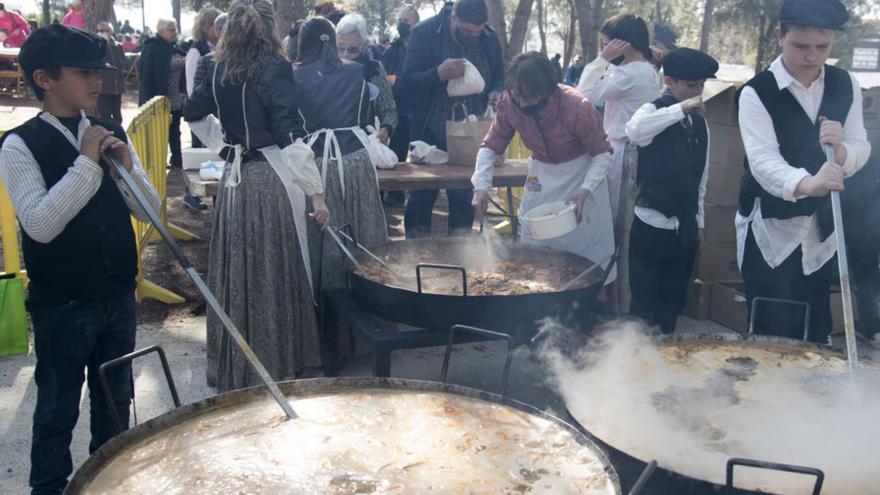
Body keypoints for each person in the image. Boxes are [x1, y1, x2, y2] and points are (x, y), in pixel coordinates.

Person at [0, 24, 159, 494]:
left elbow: (148, 212)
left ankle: (110, 484)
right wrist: (87, 165)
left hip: (117, 294)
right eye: (83, 72)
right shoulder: (19, 144)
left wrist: (127, 170)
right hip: (63, 305)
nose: (97, 81)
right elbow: (41, 224)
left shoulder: (108, 130)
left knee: (115, 403)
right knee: (56, 410)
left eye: (99, 72)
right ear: (45, 78)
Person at [183, 0, 330, 391]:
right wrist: (316, 194)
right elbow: (288, 133)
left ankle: (239, 365)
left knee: (243, 272)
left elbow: (191, 112)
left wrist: (223, 146)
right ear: (268, 30)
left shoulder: (215, 67)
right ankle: (278, 361)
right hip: (268, 179)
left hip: (236, 179)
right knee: (273, 270)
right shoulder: (274, 67)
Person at [736, 0, 870, 344]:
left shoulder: (845, 84)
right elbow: (763, 161)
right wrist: (809, 183)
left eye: (821, 47)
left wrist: (842, 152)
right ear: (781, 35)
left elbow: (861, 144)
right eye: (800, 46)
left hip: (822, 230)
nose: (811, 56)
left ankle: (808, 394)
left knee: (814, 324)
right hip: (773, 227)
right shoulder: (756, 92)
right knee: (770, 328)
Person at [472, 52, 614, 274]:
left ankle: (584, 296)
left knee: (580, 245)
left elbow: (602, 153)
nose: (521, 102)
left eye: (529, 98)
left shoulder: (577, 106)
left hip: (581, 175)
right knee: (534, 238)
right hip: (541, 174)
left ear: (547, 90)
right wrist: (481, 186)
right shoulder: (508, 103)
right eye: (517, 95)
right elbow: (490, 146)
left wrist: (585, 190)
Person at [624, 48, 718, 334]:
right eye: (690, 85)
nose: (697, 91)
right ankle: (631, 361)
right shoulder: (652, 109)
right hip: (652, 222)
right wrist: (679, 109)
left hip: (685, 225)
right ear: (669, 82)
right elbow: (635, 132)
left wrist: (699, 221)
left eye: (701, 85)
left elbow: (701, 175)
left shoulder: (701, 123)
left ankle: (664, 357)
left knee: (672, 300)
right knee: (642, 301)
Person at [293, 16, 388, 293]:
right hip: (356, 159)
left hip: (317, 163)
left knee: (325, 236)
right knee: (363, 230)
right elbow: (362, 115)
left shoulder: (294, 75)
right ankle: (371, 297)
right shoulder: (355, 71)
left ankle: (327, 309)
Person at [401, 0, 504, 237]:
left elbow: (499, 75)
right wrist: (438, 73)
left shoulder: (488, 37)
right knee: (422, 194)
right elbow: (408, 80)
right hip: (429, 129)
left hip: (469, 130)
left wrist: (497, 91)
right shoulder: (424, 33)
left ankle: (460, 254)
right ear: (454, 18)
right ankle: (415, 254)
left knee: (462, 194)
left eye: (477, 32)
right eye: (467, 31)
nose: (472, 37)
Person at [577, 14, 662, 220]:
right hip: (639, 149)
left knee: (617, 214)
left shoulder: (627, 74)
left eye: (607, 45)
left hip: (623, 151)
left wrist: (602, 59)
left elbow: (583, 95)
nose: (604, 48)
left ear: (623, 44)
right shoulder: (647, 69)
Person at [182, 7, 221, 211]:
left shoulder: (214, 49)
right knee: (203, 160)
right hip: (203, 116)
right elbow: (192, 88)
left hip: (214, 117)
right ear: (206, 27)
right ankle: (191, 195)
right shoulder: (197, 51)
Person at [336, 13, 397, 144]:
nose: (345, 54)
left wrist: (386, 129)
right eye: (340, 48)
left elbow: (388, 109)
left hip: (367, 142)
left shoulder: (375, 69)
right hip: (333, 142)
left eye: (353, 49)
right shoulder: (327, 69)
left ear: (363, 46)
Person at [383, 3, 419, 204]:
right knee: (391, 151)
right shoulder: (392, 49)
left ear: (415, 25)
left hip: (415, 109)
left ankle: (404, 193)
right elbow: (384, 75)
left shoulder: (422, 47)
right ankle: (390, 193)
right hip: (393, 108)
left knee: (409, 155)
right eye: (400, 21)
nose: (401, 25)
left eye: (405, 21)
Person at [138, 18, 187, 169]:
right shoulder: (152, 47)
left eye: (175, 30)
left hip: (175, 98)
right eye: (171, 30)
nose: (174, 33)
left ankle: (177, 159)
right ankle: (157, 161)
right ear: (161, 31)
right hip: (158, 97)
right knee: (158, 132)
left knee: (174, 131)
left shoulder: (175, 48)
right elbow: (146, 75)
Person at [95, 21, 126, 124]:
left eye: (104, 30)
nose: (101, 33)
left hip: (117, 88)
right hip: (103, 88)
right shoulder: (97, 46)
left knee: (118, 118)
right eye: (99, 30)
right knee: (105, 117)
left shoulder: (118, 46)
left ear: (110, 31)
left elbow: (122, 62)